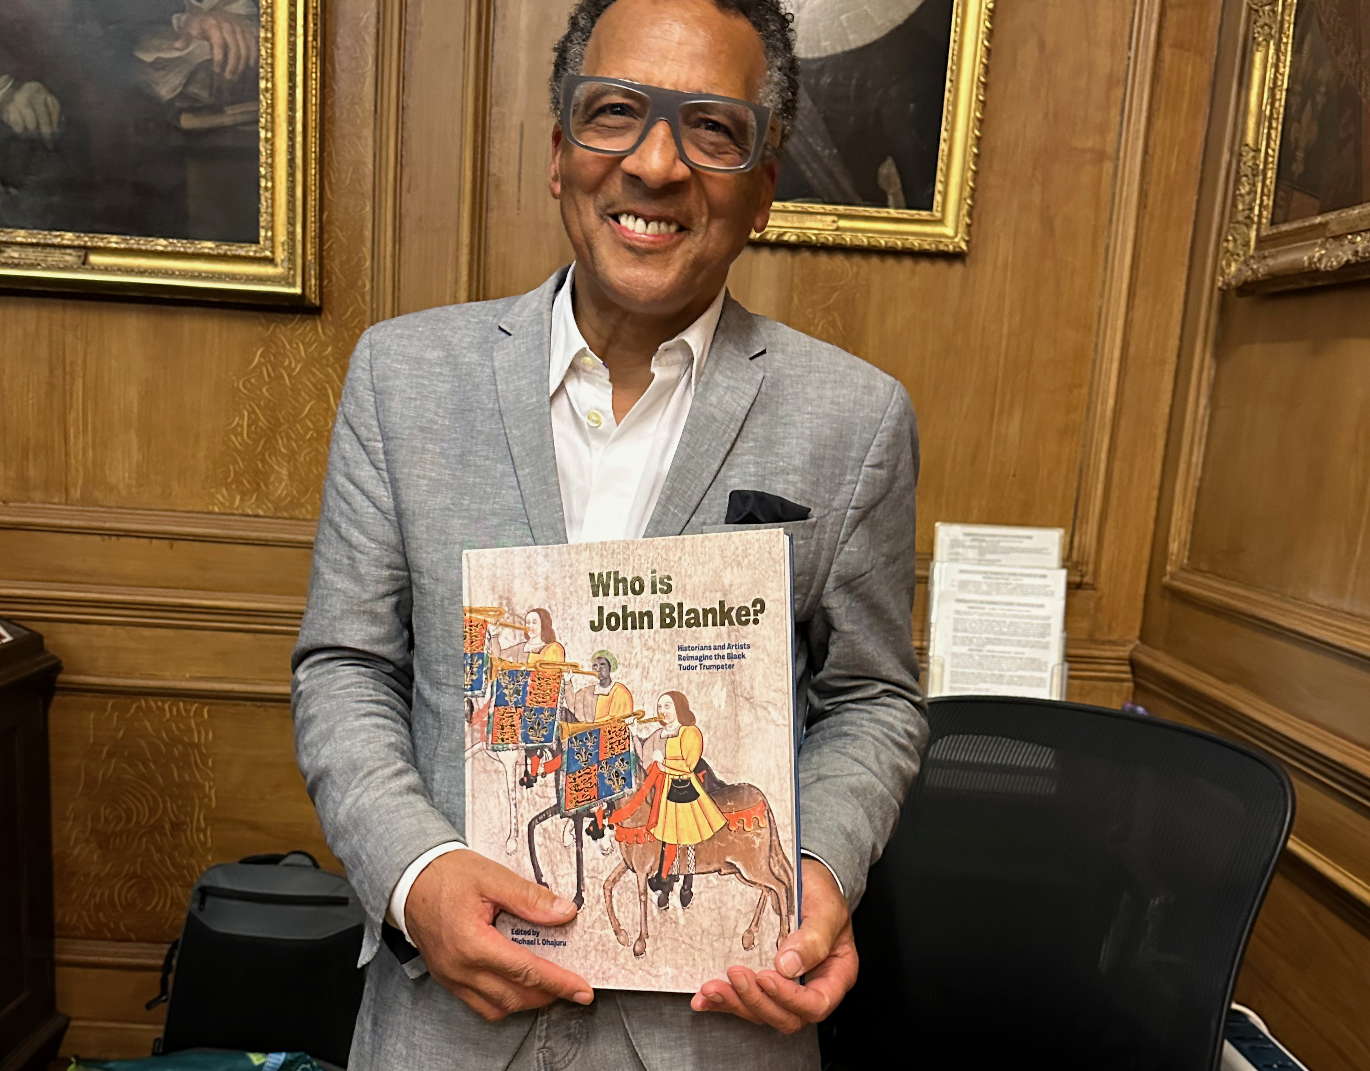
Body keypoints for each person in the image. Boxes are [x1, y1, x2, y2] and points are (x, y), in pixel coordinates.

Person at [291, 0, 925, 1067]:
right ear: (559, 154)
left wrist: (815, 866)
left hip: (718, 1027)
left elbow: (870, 698)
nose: (656, 164)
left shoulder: (855, 420)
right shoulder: (402, 378)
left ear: (764, 186)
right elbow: (345, 666)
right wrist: (413, 875)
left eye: (712, 128)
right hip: (445, 1029)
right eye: (616, 112)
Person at [571, 650, 633, 723]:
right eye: (595, 666)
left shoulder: (620, 691)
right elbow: (573, 708)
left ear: (610, 667)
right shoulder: (586, 692)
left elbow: (615, 718)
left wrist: (592, 725)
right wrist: (567, 682)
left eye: (602, 665)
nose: (598, 669)